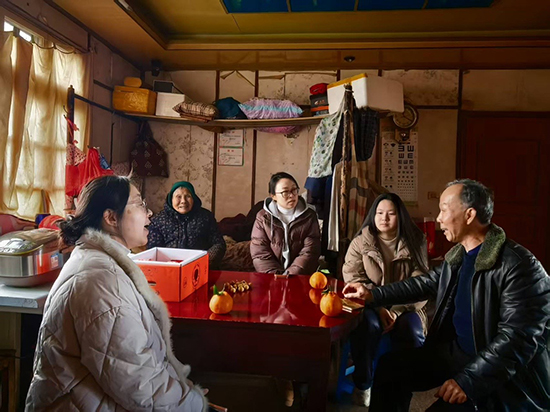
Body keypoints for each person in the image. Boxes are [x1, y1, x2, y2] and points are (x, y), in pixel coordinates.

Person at [344, 179, 550, 412]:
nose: (439, 219)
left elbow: (518, 340)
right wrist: (372, 295)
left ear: (469, 215)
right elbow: (425, 283)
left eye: (443, 210)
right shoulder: (459, 256)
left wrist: (468, 381)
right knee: (390, 368)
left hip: (498, 373)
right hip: (459, 353)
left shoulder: (519, 266)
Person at [26, 176, 207, 411]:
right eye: (139, 204)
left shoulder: (101, 263)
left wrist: (181, 390)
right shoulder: (101, 282)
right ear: (111, 218)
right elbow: (140, 385)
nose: (149, 212)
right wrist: (194, 403)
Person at [342, 192, 428, 407]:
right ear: (373, 215)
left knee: (411, 332)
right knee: (366, 326)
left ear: (400, 216)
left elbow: (421, 282)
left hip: (407, 305)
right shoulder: (361, 242)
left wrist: (397, 311)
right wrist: (379, 306)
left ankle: (402, 384)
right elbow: (353, 278)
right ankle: (363, 384)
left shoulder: (416, 241)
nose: (384, 218)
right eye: (379, 213)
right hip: (370, 303)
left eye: (391, 213)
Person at [251, 172, 321, 275]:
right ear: (273, 196)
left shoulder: (309, 216)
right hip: (271, 276)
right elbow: (260, 252)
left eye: (294, 190)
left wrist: (290, 275)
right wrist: (276, 276)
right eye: (285, 192)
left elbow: (310, 251)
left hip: (300, 275)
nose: (291, 195)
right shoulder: (263, 217)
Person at [147, 181, 226, 269]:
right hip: (169, 268)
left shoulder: (206, 217)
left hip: (201, 267)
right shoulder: (158, 220)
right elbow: (153, 250)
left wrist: (204, 260)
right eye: (178, 197)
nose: (183, 201)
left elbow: (219, 244)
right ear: (171, 199)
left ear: (194, 199)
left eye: (188, 196)